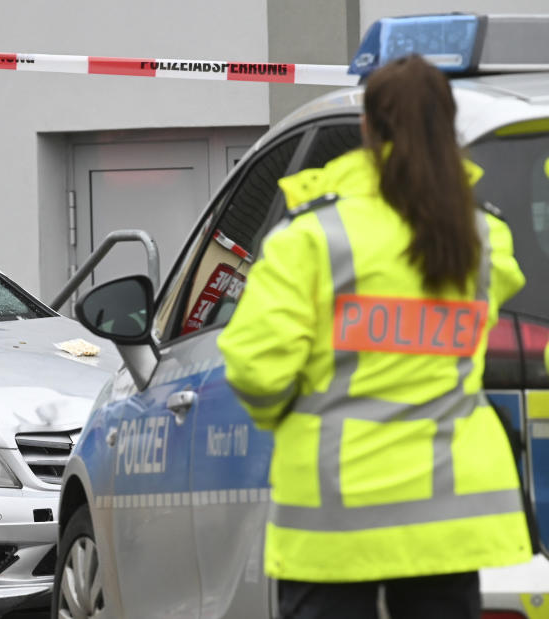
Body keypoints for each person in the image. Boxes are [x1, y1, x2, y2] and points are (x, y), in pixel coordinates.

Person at [217, 54, 532, 619]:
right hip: (446, 514)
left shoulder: (313, 235)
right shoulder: (483, 237)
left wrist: (287, 416)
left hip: (336, 516)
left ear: (368, 128)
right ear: (447, 125)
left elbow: (254, 368)